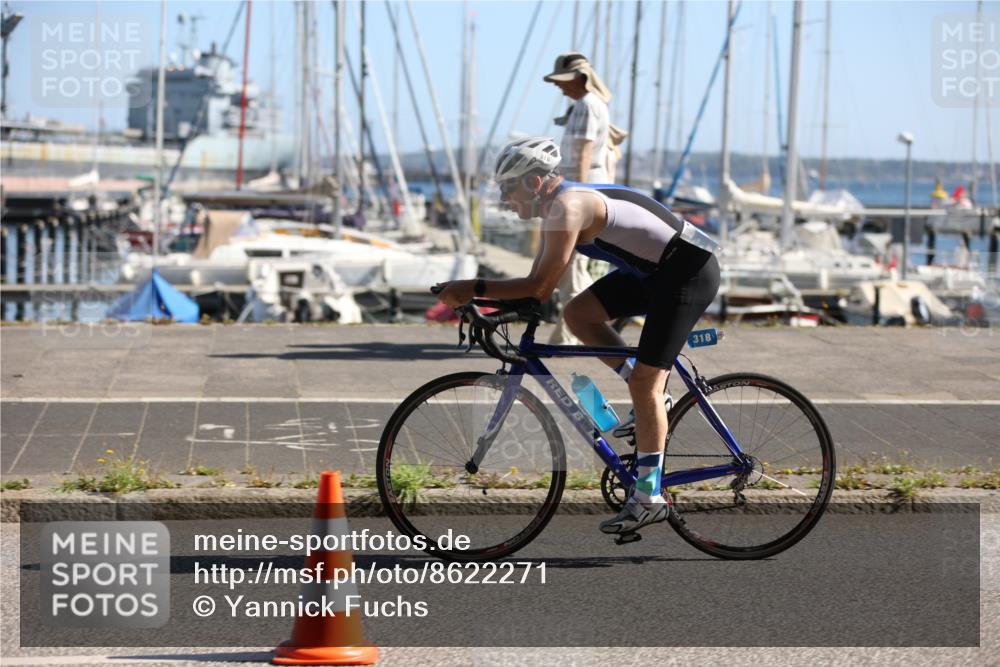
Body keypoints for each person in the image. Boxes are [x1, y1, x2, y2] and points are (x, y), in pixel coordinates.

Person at [435, 137, 721, 536]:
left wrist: (473, 287)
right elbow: (537, 290)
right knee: (579, 313)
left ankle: (648, 496)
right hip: (656, 273)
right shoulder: (555, 208)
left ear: (534, 183)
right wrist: (484, 305)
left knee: (645, 385)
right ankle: (654, 399)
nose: (504, 199)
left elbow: (538, 287)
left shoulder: (567, 207)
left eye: (508, 188)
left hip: (687, 274)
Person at [543, 52, 626, 346]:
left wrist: (574, 196)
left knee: (569, 267)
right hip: (585, 194)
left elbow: (584, 154)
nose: (559, 87)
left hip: (581, 197)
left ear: (580, 79)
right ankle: (577, 329)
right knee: (570, 266)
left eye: (562, 81)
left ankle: (570, 335)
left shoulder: (588, 106)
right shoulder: (588, 106)